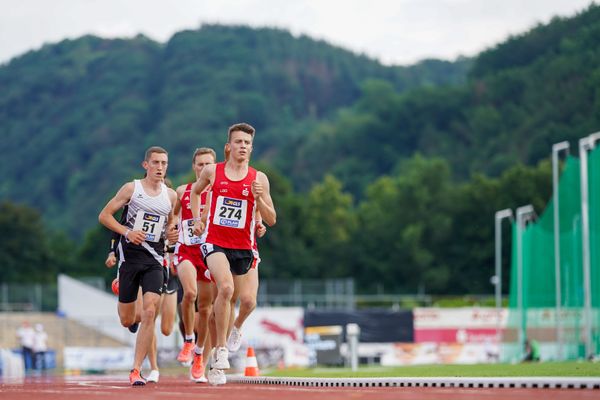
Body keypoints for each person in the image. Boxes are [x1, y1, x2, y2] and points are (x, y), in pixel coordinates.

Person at [191, 123, 276, 385]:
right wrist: (196, 219)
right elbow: (195, 192)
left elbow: (271, 219)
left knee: (249, 301)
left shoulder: (258, 178)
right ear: (229, 146)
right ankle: (219, 353)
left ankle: (236, 328)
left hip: (245, 246)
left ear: (251, 148)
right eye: (238, 142)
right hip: (215, 241)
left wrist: (259, 200)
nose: (242, 147)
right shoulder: (213, 172)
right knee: (225, 289)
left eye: (247, 143)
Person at [98, 146, 178, 386]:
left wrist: (170, 237)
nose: (160, 168)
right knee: (126, 319)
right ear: (146, 165)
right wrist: (127, 232)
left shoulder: (171, 196)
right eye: (155, 163)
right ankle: (128, 311)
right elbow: (105, 216)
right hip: (129, 259)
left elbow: (170, 224)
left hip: (155, 260)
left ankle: (136, 370)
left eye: (164, 163)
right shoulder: (131, 189)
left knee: (150, 311)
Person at [173, 147, 217, 383]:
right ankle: (189, 339)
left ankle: (200, 354)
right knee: (189, 293)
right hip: (187, 250)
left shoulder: (219, 192)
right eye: (199, 164)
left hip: (209, 254)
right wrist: (172, 228)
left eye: (207, 164)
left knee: (206, 308)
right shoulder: (183, 191)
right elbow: (174, 214)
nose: (203, 168)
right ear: (194, 167)